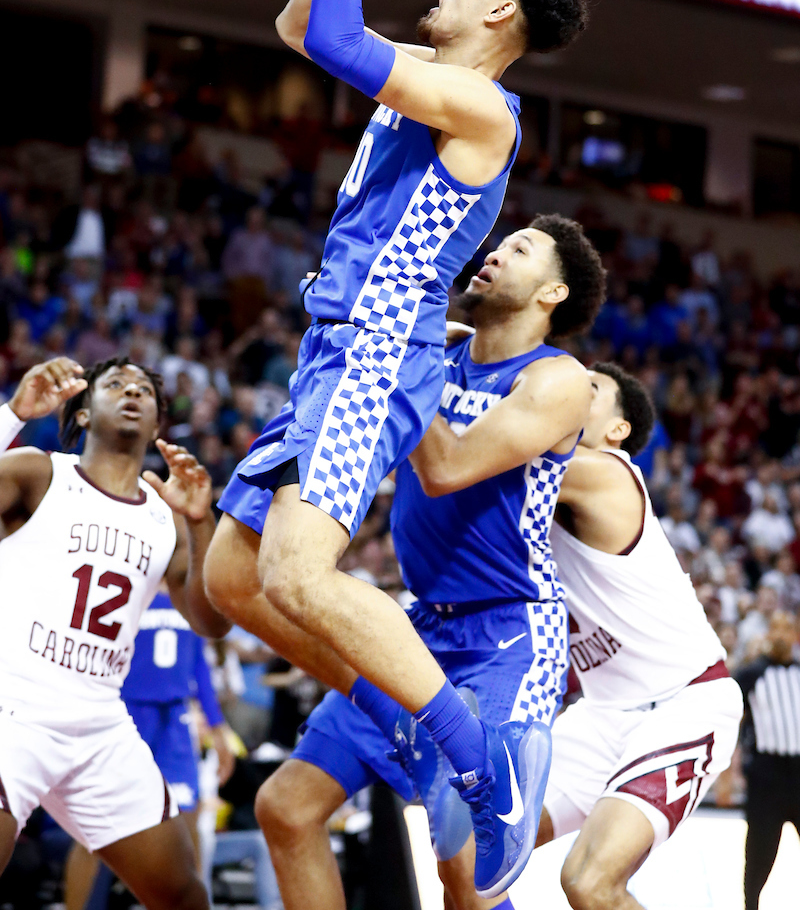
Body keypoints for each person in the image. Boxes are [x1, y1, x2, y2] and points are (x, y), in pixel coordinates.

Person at [204, 0, 589, 895]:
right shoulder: (426, 66)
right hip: (333, 348)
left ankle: (482, 768)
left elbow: (331, 43)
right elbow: (300, 25)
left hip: (378, 349)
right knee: (234, 577)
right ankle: (418, 729)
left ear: (500, 9)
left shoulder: (477, 104)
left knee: (295, 570)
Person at [246, 214, 606, 910]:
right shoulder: (442, 354)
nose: (494, 254)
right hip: (420, 627)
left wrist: (399, 359)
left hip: (508, 634)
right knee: (285, 807)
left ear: (552, 293)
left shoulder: (560, 380)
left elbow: (447, 467)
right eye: (498, 243)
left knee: (466, 874)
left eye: (519, 249)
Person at [0, 356, 230, 910]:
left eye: (145, 389)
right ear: (81, 413)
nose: (133, 391)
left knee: (183, 895)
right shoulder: (38, 472)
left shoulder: (165, 515)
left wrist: (202, 526)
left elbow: (211, 621)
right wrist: (11, 415)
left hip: (101, 725)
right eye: (116, 384)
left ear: (156, 425)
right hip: (15, 711)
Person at [527, 363, 743, 910]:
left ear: (617, 429)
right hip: (603, 712)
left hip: (684, 701)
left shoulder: (605, 471)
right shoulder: (541, 495)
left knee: (587, 881)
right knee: (474, 852)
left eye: (591, 387)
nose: (573, 387)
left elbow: (492, 450)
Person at [63, 583, 237, 910]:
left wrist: (217, 727)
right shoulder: (126, 579)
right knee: (91, 832)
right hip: (125, 712)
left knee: (188, 821)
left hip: (174, 718)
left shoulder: (188, 590)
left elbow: (198, 663)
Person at [736, 609, 800, 910]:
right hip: (767, 778)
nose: (781, 635)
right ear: (767, 634)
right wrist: (727, 773)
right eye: (775, 628)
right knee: (760, 856)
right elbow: (728, 716)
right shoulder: (752, 673)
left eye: (787, 629)